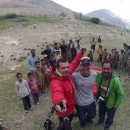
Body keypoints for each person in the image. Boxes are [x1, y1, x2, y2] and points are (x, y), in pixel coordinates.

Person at [50, 48, 86, 130]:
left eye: (67, 67)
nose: (66, 69)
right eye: (63, 68)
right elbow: (57, 92)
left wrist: (81, 52)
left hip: (71, 108)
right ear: (58, 69)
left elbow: (74, 63)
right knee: (63, 126)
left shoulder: (67, 73)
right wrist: (60, 101)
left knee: (69, 122)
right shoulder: (56, 82)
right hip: (64, 111)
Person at [95, 61, 124, 130]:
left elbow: (121, 95)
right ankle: (101, 120)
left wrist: (116, 106)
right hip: (101, 100)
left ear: (111, 69)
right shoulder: (99, 76)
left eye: (108, 69)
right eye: (104, 68)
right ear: (102, 68)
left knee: (110, 116)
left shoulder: (116, 80)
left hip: (111, 104)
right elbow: (89, 72)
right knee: (101, 112)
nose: (105, 71)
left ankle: (107, 125)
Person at [72, 57, 97, 126]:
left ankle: (88, 119)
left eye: (87, 65)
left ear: (90, 65)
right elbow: (66, 76)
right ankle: (82, 121)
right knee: (82, 118)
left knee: (92, 115)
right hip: (80, 103)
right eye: (83, 65)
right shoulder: (75, 76)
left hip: (91, 100)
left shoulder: (94, 74)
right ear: (80, 66)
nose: (86, 67)